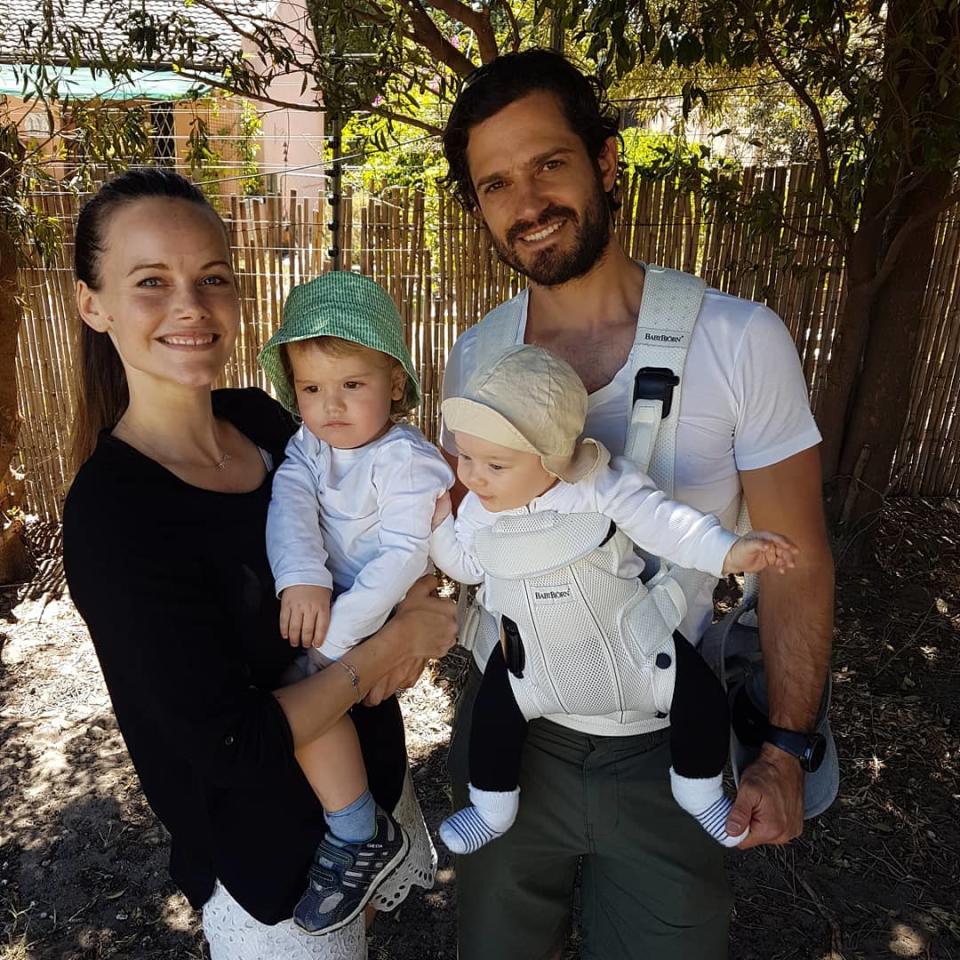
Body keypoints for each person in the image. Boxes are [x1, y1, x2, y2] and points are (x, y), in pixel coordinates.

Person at [440, 50, 835, 959]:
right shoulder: (479, 356)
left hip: (672, 736)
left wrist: (782, 748)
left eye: (548, 163)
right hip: (519, 729)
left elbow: (798, 562)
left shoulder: (738, 340)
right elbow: (476, 530)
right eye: (495, 183)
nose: (527, 202)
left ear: (607, 161)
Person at [62, 168, 457, 960]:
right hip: (276, 867)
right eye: (151, 281)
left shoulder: (270, 420)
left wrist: (421, 595)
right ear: (92, 304)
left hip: (370, 787)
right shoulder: (116, 516)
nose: (191, 306)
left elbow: (381, 525)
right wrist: (388, 646)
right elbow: (229, 746)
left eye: (213, 277)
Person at [430, 344, 800, 854]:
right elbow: (467, 565)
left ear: (553, 456)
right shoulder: (480, 508)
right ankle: (492, 808)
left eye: (495, 463)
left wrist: (729, 551)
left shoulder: (597, 487)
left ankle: (699, 792)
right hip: (531, 665)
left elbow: (667, 523)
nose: (473, 476)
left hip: (636, 652)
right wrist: (436, 531)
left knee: (701, 698)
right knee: (493, 715)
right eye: (466, 457)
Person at [257, 271, 453, 933]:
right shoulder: (309, 445)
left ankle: (353, 831)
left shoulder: (408, 462)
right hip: (335, 604)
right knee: (304, 698)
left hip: (376, 608)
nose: (329, 407)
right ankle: (358, 827)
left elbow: (401, 559)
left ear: (394, 383)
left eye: (351, 386)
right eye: (311, 389)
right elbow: (290, 505)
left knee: (310, 693)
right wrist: (301, 576)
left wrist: (340, 640)